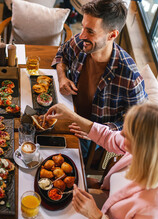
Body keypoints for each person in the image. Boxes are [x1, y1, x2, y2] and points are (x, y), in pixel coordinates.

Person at [46, 103, 158, 219]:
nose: (121, 136)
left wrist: (97, 217)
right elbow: (108, 137)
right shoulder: (151, 155)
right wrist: (72, 116)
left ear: (145, 150)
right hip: (105, 204)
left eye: (126, 136)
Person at [52, 0, 147, 131]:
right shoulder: (80, 42)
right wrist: (62, 77)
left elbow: (138, 123)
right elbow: (62, 53)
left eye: (90, 31)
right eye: (82, 26)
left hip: (92, 141)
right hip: (66, 113)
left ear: (112, 35)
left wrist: (95, 131)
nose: (81, 35)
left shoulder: (130, 76)